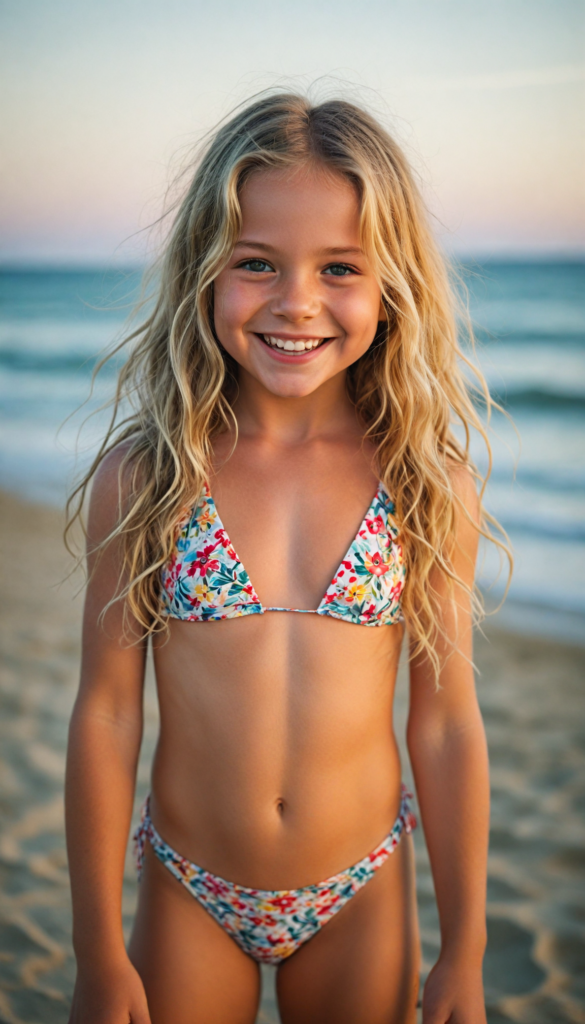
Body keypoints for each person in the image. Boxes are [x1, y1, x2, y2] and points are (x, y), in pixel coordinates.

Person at [65, 93, 506, 1024]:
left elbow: (446, 726)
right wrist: (98, 951)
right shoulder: (150, 476)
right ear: (203, 274)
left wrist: (463, 950)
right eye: (255, 263)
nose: (296, 302)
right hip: (191, 885)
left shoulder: (427, 486)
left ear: (392, 286)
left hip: (359, 889)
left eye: (339, 267)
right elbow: (107, 713)